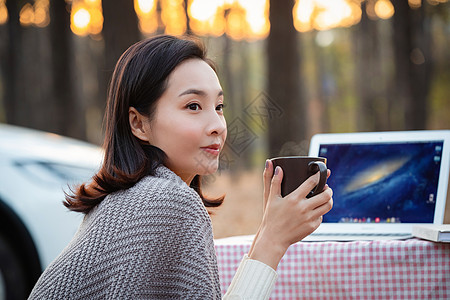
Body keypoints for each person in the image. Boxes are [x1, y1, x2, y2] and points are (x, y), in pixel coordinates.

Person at [29, 35, 333, 299]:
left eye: (219, 107)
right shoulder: (168, 202)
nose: (217, 126)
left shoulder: (127, 199)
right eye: (193, 106)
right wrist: (273, 239)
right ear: (138, 124)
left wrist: (269, 230)